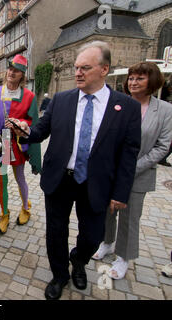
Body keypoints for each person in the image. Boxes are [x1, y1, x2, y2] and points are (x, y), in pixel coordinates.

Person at [9, 41, 141, 300]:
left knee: (93, 236)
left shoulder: (126, 107)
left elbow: (129, 154)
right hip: (60, 179)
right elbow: (40, 131)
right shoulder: (61, 99)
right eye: (76, 67)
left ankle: (79, 260)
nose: (78, 72)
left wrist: (121, 193)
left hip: (97, 182)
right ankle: (60, 275)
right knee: (55, 232)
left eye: (85, 68)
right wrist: (24, 132)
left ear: (104, 69)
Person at [92, 62, 172, 279]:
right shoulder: (118, 104)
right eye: (132, 78)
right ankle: (107, 242)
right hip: (111, 171)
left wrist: (131, 168)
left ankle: (123, 257)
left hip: (139, 174)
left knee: (129, 217)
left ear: (152, 82)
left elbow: (163, 146)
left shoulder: (164, 110)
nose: (133, 82)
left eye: (140, 78)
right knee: (108, 212)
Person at [0, 54, 41, 235]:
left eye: (16, 71)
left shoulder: (29, 96)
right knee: (2, 181)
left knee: (20, 177)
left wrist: (20, 124)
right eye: (10, 69)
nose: (11, 73)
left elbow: (34, 124)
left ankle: (25, 208)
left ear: (22, 75)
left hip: (16, 143)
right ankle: (4, 214)